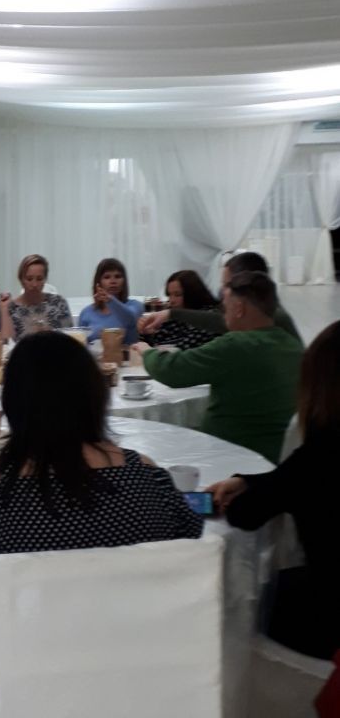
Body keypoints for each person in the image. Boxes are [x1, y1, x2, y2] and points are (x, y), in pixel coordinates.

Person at [0, 331, 203, 581]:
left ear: (14, 403)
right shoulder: (145, 476)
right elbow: (189, 533)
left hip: (39, 613)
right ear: (95, 395)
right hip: (136, 612)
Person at [209, 320, 340, 660]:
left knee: (244, 600)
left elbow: (246, 514)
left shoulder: (318, 455)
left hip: (329, 611)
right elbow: (288, 482)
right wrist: (250, 481)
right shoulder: (312, 463)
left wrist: (244, 491)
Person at [134, 272, 303, 463]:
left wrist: (146, 351)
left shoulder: (236, 345)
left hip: (233, 453)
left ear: (239, 308)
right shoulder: (292, 345)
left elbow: (172, 370)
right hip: (279, 453)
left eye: (224, 306)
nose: (222, 314)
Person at [139, 251, 302, 343]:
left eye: (227, 285)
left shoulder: (270, 318)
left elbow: (219, 322)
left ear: (246, 281)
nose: (223, 291)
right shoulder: (262, 311)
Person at [143, 271, 221, 352]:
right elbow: (156, 342)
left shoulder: (209, 317)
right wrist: (147, 333)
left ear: (193, 294)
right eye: (169, 295)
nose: (172, 300)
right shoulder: (174, 315)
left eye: (178, 295)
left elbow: (181, 350)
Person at [4, 254, 72, 339]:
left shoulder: (58, 303)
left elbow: (70, 338)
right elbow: (7, 343)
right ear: (21, 280)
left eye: (39, 279)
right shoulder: (12, 308)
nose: (34, 284)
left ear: (45, 279)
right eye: (29, 279)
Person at [78, 258, 143, 346]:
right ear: (98, 283)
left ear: (124, 282)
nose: (113, 281)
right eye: (107, 277)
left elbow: (130, 319)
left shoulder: (135, 305)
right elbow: (81, 344)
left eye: (118, 276)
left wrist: (110, 300)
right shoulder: (86, 312)